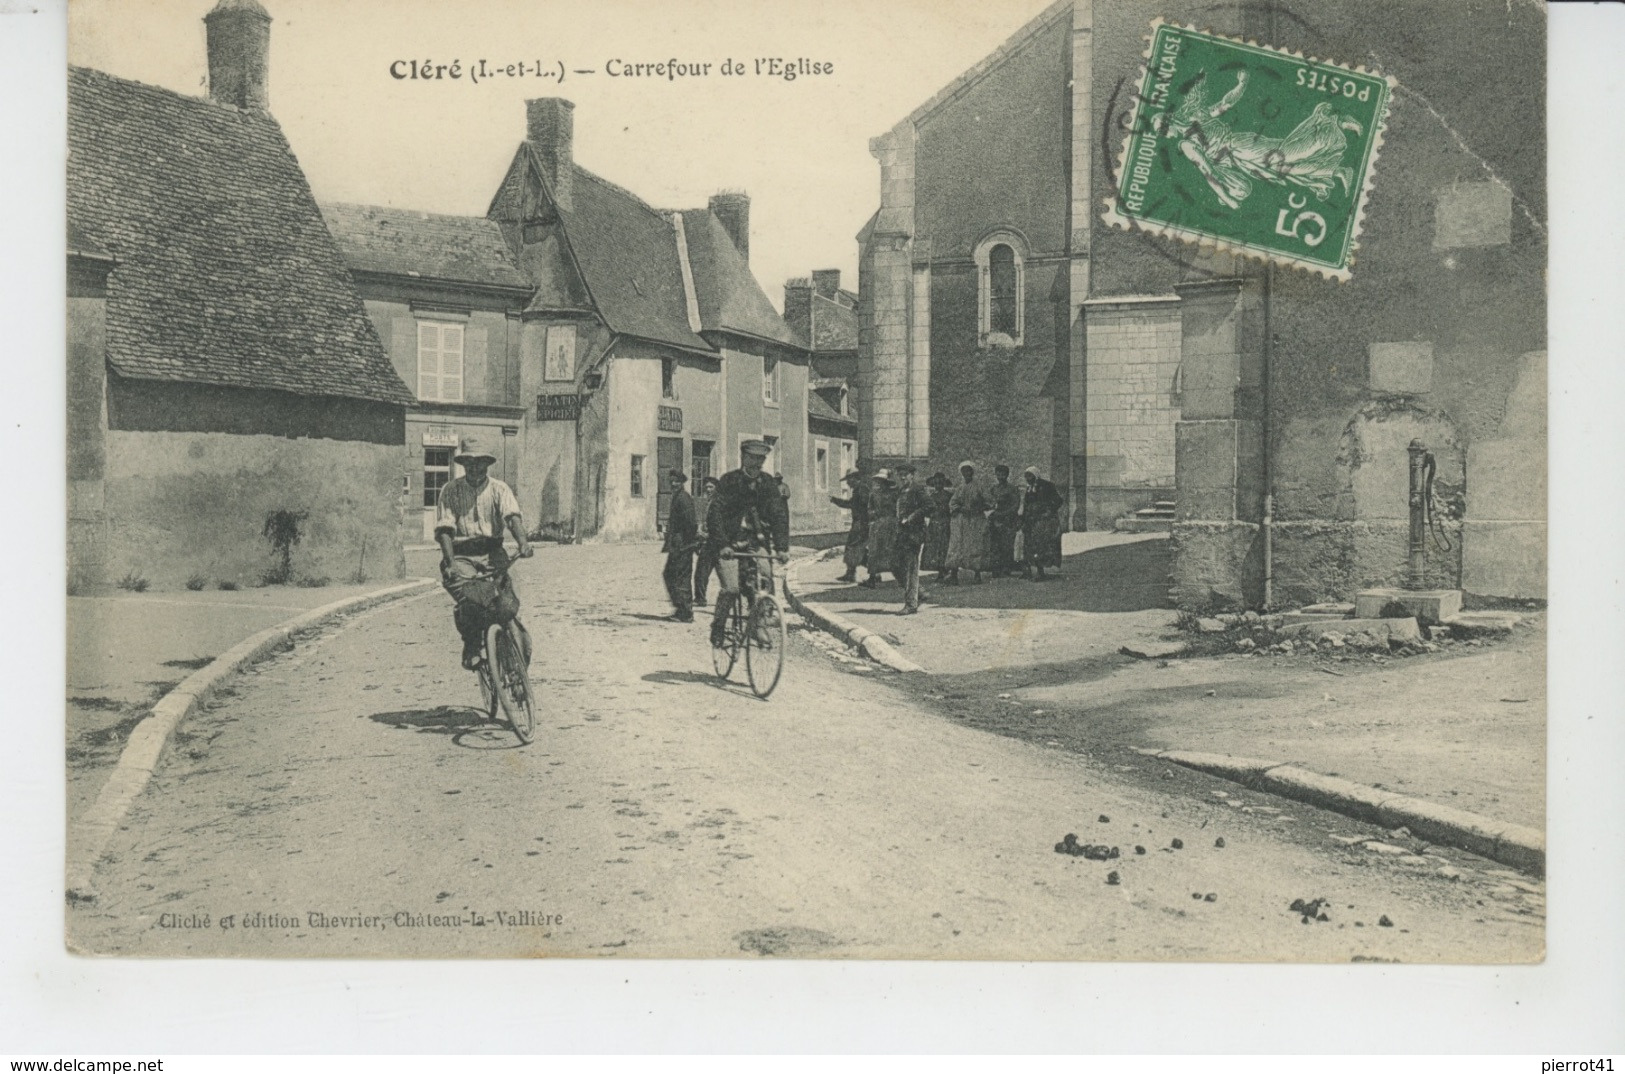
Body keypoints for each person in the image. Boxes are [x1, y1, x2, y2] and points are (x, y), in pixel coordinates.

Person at [435, 436, 533, 670]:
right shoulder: (451, 490)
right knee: (470, 599)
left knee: (505, 602)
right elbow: (445, 530)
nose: (475, 467)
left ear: (488, 464)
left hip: (493, 551)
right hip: (461, 555)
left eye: (480, 462)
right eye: (470, 462)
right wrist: (450, 562)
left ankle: (514, 658)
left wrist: (523, 543)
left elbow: (512, 517)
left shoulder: (500, 489)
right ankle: (471, 645)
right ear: (463, 464)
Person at [707, 439, 788, 647]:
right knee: (732, 588)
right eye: (752, 458)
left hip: (755, 541)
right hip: (729, 544)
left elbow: (779, 515)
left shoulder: (768, 483)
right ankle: (718, 625)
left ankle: (757, 625)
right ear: (743, 457)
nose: (756, 463)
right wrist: (723, 544)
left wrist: (781, 547)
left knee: (766, 577)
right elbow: (714, 514)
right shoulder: (729, 481)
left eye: (760, 459)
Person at [945, 461, 990, 585]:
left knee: (975, 545)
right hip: (961, 520)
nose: (966, 473)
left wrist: (978, 508)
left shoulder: (979, 486)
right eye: (964, 471)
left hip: (975, 520)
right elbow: (952, 503)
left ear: (972, 472)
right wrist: (960, 508)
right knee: (957, 546)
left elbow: (989, 501)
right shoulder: (960, 488)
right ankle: (954, 574)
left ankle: (977, 574)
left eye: (968, 471)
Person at [893, 463, 930, 614]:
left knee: (910, 568)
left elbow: (929, 506)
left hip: (914, 533)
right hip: (902, 533)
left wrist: (912, 517)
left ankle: (911, 604)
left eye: (905, 474)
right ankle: (919, 593)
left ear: (912, 475)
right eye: (900, 474)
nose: (902, 477)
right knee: (895, 565)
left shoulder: (918, 490)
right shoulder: (902, 490)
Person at [661, 469, 698, 622]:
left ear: (682, 483)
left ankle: (685, 612)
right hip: (678, 545)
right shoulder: (678, 497)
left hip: (683, 545)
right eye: (671, 482)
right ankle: (681, 609)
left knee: (680, 577)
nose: (673, 484)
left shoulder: (683, 498)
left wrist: (688, 543)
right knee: (671, 575)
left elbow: (691, 523)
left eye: (676, 481)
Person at [1019, 465, 1064, 581]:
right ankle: (1032, 571)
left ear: (1036, 475)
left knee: (1041, 546)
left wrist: (1049, 511)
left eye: (1030, 476)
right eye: (1026, 476)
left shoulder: (1047, 486)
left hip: (1045, 522)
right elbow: (1027, 505)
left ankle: (1040, 572)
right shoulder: (1029, 489)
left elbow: (1058, 500)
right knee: (1031, 545)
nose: (1028, 478)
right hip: (1033, 521)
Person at [830, 469, 869, 584]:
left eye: (848, 480)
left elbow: (855, 505)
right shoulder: (859, 489)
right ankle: (851, 573)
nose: (847, 483)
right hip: (859, 522)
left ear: (855, 478)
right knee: (853, 548)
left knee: (854, 547)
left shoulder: (862, 489)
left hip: (862, 523)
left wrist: (836, 500)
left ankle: (873, 573)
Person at [862, 470, 897, 588]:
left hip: (891, 524)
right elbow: (869, 508)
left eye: (882, 481)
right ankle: (873, 576)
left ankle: (901, 577)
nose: (880, 484)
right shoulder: (873, 494)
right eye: (878, 481)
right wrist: (873, 513)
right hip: (877, 524)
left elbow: (897, 508)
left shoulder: (893, 494)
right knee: (874, 550)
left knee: (891, 550)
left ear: (886, 482)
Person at [987, 464, 1020, 578]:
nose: (1000, 476)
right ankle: (996, 567)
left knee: (1007, 544)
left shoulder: (1012, 489)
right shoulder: (993, 489)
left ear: (1007, 475)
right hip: (995, 519)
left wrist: (1004, 514)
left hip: (1008, 519)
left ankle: (1006, 568)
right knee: (995, 544)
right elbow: (990, 502)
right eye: (998, 473)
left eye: (1003, 474)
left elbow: (1015, 505)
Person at [692, 475, 719, 604]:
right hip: (708, 542)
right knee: (701, 572)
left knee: (703, 572)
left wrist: (707, 535)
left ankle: (700, 598)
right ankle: (700, 598)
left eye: (711, 487)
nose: (708, 489)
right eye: (706, 487)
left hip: (715, 542)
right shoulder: (706, 502)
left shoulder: (718, 503)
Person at [921, 472, 952, 577]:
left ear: (943, 484)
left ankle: (945, 568)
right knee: (934, 547)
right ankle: (939, 569)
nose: (938, 485)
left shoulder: (948, 496)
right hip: (934, 524)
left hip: (945, 523)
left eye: (940, 483)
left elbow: (951, 509)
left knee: (944, 546)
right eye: (936, 484)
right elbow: (927, 510)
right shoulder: (931, 497)